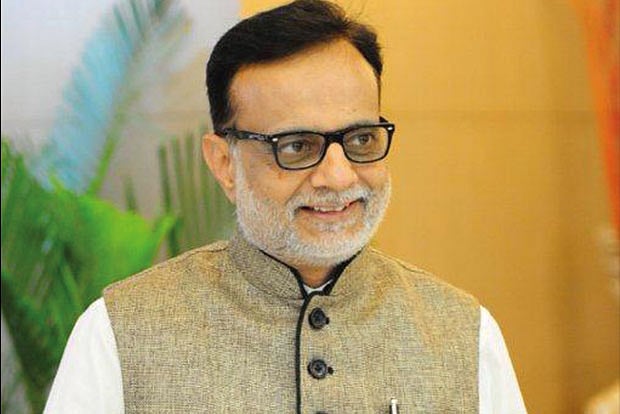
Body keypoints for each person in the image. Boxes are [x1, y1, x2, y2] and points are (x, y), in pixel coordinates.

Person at [44, 1, 527, 412]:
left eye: (360, 139)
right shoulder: (119, 333)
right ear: (224, 164)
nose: (339, 176)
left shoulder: (463, 334)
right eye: (296, 146)